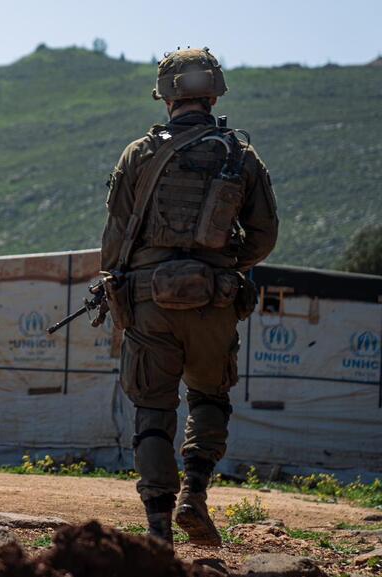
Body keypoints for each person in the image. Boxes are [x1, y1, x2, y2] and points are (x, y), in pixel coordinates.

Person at [100, 48, 279, 547]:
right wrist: (223, 264)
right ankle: (194, 494)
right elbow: (263, 237)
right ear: (214, 91)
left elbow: (115, 237)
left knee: (152, 410)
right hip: (214, 302)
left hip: (149, 302)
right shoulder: (240, 155)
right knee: (208, 397)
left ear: (167, 95)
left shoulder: (137, 154)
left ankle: (158, 527)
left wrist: (119, 281)